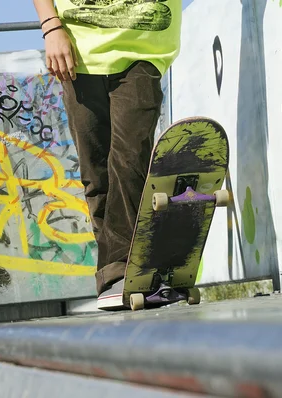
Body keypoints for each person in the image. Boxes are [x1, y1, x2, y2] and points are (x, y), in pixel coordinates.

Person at [32, 0, 182, 310]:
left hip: (142, 50)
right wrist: (51, 27)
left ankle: (123, 271)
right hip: (76, 53)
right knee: (96, 174)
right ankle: (116, 276)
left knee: (129, 162)